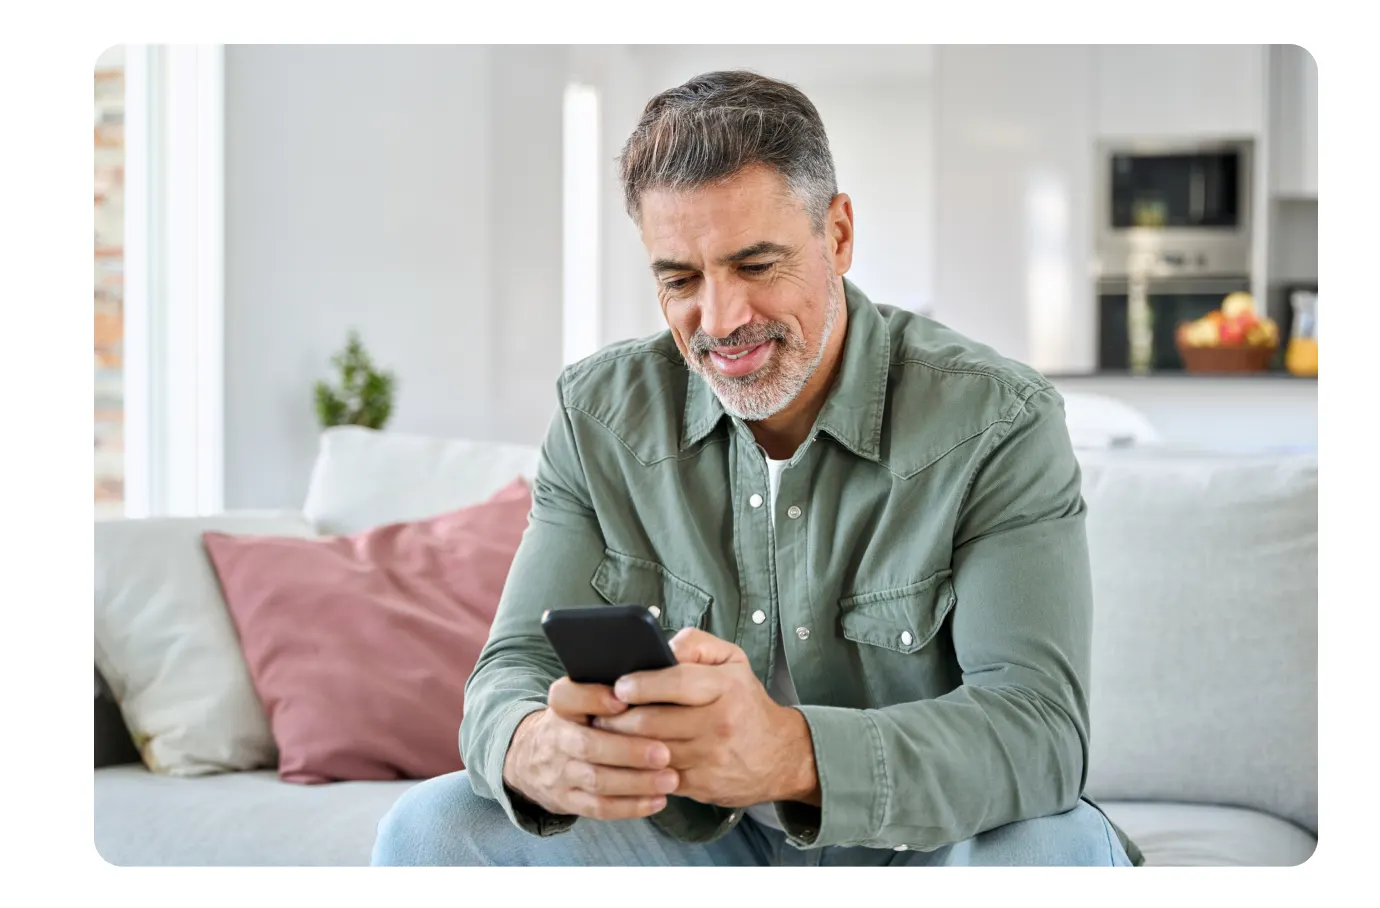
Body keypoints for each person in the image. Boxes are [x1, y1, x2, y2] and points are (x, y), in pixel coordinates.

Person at [371, 70, 1141, 868]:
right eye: (679, 280)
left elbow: (1040, 731)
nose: (721, 319)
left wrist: (788, 752)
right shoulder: (596, 415)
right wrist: (533, 747)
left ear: (838, 234)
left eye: (757, 265)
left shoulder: (997, 421)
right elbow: (511, 671)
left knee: (1060, 850)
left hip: (926, 842)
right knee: (431, 830)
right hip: (693, 837)